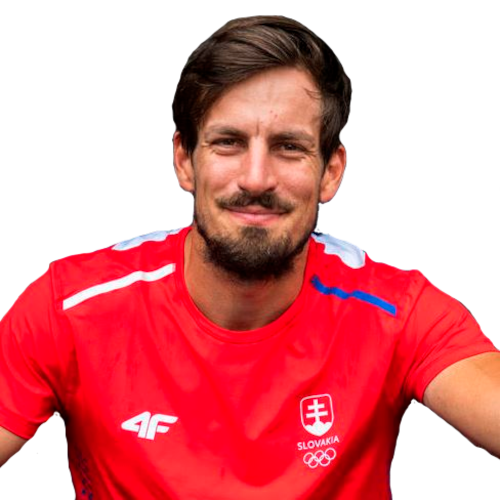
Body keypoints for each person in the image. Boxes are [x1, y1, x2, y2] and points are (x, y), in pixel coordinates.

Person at [0, 14, 498, 499]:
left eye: (289, 147)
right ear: (183, 161)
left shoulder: (396, 311)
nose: (256, 178)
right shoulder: (70, 307)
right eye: (228, 143)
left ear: (331, 171)